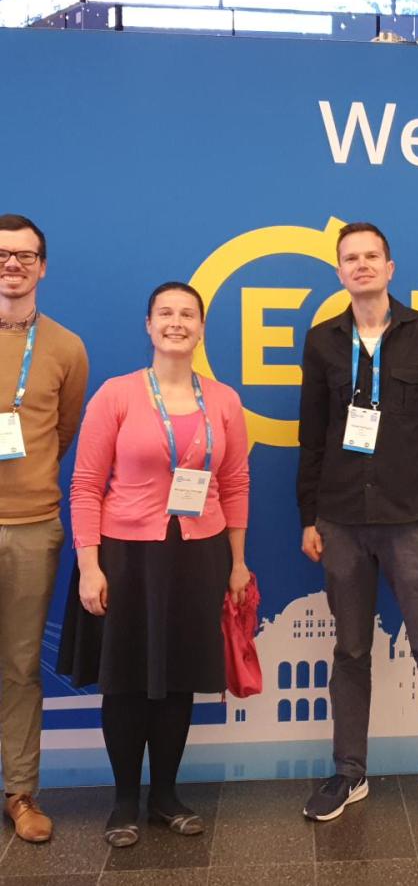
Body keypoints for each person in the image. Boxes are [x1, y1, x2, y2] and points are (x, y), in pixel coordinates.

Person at [297, 222, 418, 827]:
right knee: (350, 651)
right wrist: (309, 517)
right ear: (339, 272)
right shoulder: (324, 341)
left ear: (390, 267)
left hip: (409, 522)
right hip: (342, 520)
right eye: (350, 258)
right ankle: (349, 772)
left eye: (371, 256)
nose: (361, 266)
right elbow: (312, 438)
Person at [58, 282, 249, 848]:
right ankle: (123, 801)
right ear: (148, 325)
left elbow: (235, 483)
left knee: (180, 681)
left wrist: (237, 563)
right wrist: (90, 566)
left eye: (187, 314)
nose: (176, 322)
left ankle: (165, 796)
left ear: (201, 328)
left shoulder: (224, 400)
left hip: (199, 554)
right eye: (165, 313)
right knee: (126, 683)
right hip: (126, 555)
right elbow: (86, 485)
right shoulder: (115, 396)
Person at [0, 214, 88, 843]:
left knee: (21, 667)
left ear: (43, 267)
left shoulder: (65, 347)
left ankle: (21, 792)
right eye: (3, 255)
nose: (13, 265)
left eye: (26, 256)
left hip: (33, 528)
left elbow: (62, 435)